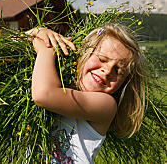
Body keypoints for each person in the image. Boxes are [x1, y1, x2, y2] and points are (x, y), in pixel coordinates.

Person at [27, 23, 147, 163]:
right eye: (102, 59)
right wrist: (38, 32)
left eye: (118, 71)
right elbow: (11, 41)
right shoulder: (60, 81)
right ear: (84, 51)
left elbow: (43, 94)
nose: (107, 71)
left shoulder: (106, 106)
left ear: (124, 83)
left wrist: (46, 50)